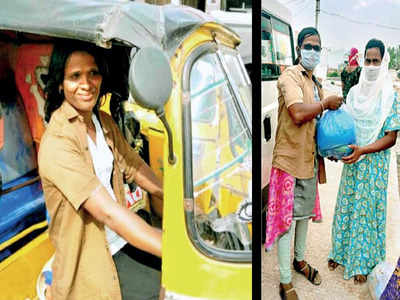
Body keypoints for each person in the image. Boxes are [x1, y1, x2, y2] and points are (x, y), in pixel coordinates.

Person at [38, 41, 164, 299]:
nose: (86, 84)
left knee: (176, 279)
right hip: (91, 260)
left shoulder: (102, 121)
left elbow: (134, 165)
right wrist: (170, 246)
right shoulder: (57, 143)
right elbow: (107, 212)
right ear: (60, 84)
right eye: (75, 76)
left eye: (93, 73)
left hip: (120, 241)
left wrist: (177, 198)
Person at [264, 27, 343, 300]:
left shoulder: (315, 82)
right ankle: (285, 281)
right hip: (288, 162)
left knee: (303, 217)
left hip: (309, 161)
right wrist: (325, 105)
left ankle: (299, 261)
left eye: (317, 47)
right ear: (299, 49)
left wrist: (331, 148)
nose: (313, 51)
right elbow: (297, 113)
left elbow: (318, 127)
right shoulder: (290, 77)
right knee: (286, 222)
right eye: (309, 46)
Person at [328, 39, 400, 284]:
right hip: (353, 161)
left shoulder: (389, 95)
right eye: (367, 61)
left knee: (367, 213)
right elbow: (346, 126)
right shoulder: (355, 93)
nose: (370, 65)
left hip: (374, 164)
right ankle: (339, 253)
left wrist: (364, 150)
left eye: (375, 61)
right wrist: (336, 150)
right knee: (347, 206)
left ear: (383, 62)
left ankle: (363, 263)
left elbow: (391, 137)